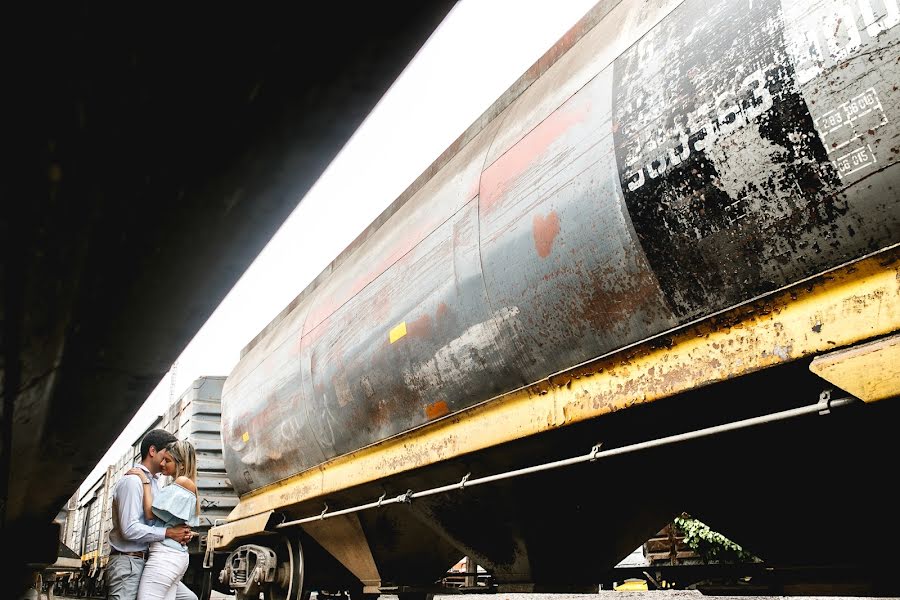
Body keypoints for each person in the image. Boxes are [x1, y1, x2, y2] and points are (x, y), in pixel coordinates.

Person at [107, 429, 195, 600]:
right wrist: (168, 533)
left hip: (148, 560)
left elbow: (155, 521)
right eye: (167, 453)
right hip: (129, 563)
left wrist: (180, 533)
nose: (169, 458)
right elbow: (129, 529)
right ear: (152, 451)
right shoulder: (133, 481)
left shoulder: (155, 484)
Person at [129, 439, 200, 600]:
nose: (162, 463)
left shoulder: (182, 482)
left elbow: (150, 513)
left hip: (165, 557)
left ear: (181, 464)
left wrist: (145, 481)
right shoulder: (183, 484)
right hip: (173, 556)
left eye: (167, 460)